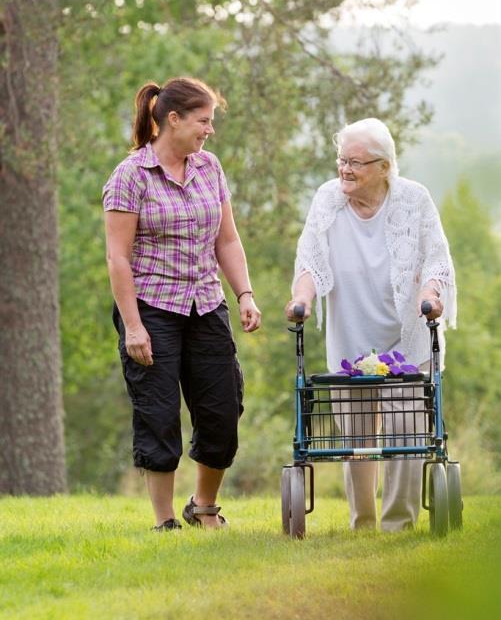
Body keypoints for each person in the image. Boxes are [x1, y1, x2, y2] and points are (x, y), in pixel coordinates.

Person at [103, 76, 261, 531]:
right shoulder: (130, 176)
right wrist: (133, 326)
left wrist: (244, 293)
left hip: (206, 304)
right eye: (203, 121)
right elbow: (118, 258)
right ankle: (165, 521)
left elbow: (226, 239)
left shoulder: (209, 167)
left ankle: (204, 506)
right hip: (151, 307)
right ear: (173, 120)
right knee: (157, 412)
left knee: (223, 408)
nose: (209, 130)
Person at [285, 117, 456, 532]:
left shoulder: (414, 199)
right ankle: (362, 524)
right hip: (351, 338)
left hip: (405, 337)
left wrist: (430, 294)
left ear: (384, 166)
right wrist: (301, 299)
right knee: (355, 436)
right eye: (342, 159)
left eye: (356, 162)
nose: (345, 169)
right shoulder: (328, 198)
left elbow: (436, 257)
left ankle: (398, 523)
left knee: (406, 429)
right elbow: (310, 258)